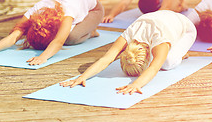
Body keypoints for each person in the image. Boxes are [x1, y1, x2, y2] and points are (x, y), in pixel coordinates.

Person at [60, 10, 197, 95]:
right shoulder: (129, 34)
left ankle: (181, 53)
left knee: (166, 63)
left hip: (186, 28)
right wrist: (82, 77)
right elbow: (106, 58)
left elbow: (154, 67)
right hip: (164, 19)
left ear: (148, 55)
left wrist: (136, 84)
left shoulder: (159, 41)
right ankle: (176, 48)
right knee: (162, 58)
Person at [0, 0, 104, 65]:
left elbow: (58, 42)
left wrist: (43, 57)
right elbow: (14, 36)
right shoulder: (35, 10)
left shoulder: (67, 12)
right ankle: (84, 26)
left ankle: (92, 32)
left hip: (94, 10)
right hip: (74, 2)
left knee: (70, 38)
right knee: (65, 33)